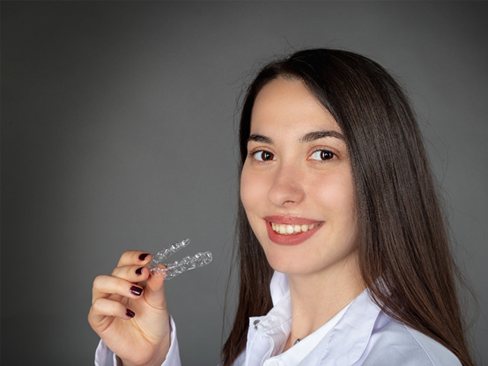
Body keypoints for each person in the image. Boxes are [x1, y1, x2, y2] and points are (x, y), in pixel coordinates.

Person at [88, 49, 474, 366]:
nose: (281, 191)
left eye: (323, 154)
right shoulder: (265, 341)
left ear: (383, 174)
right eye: (264, 153)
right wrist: (149, 362)